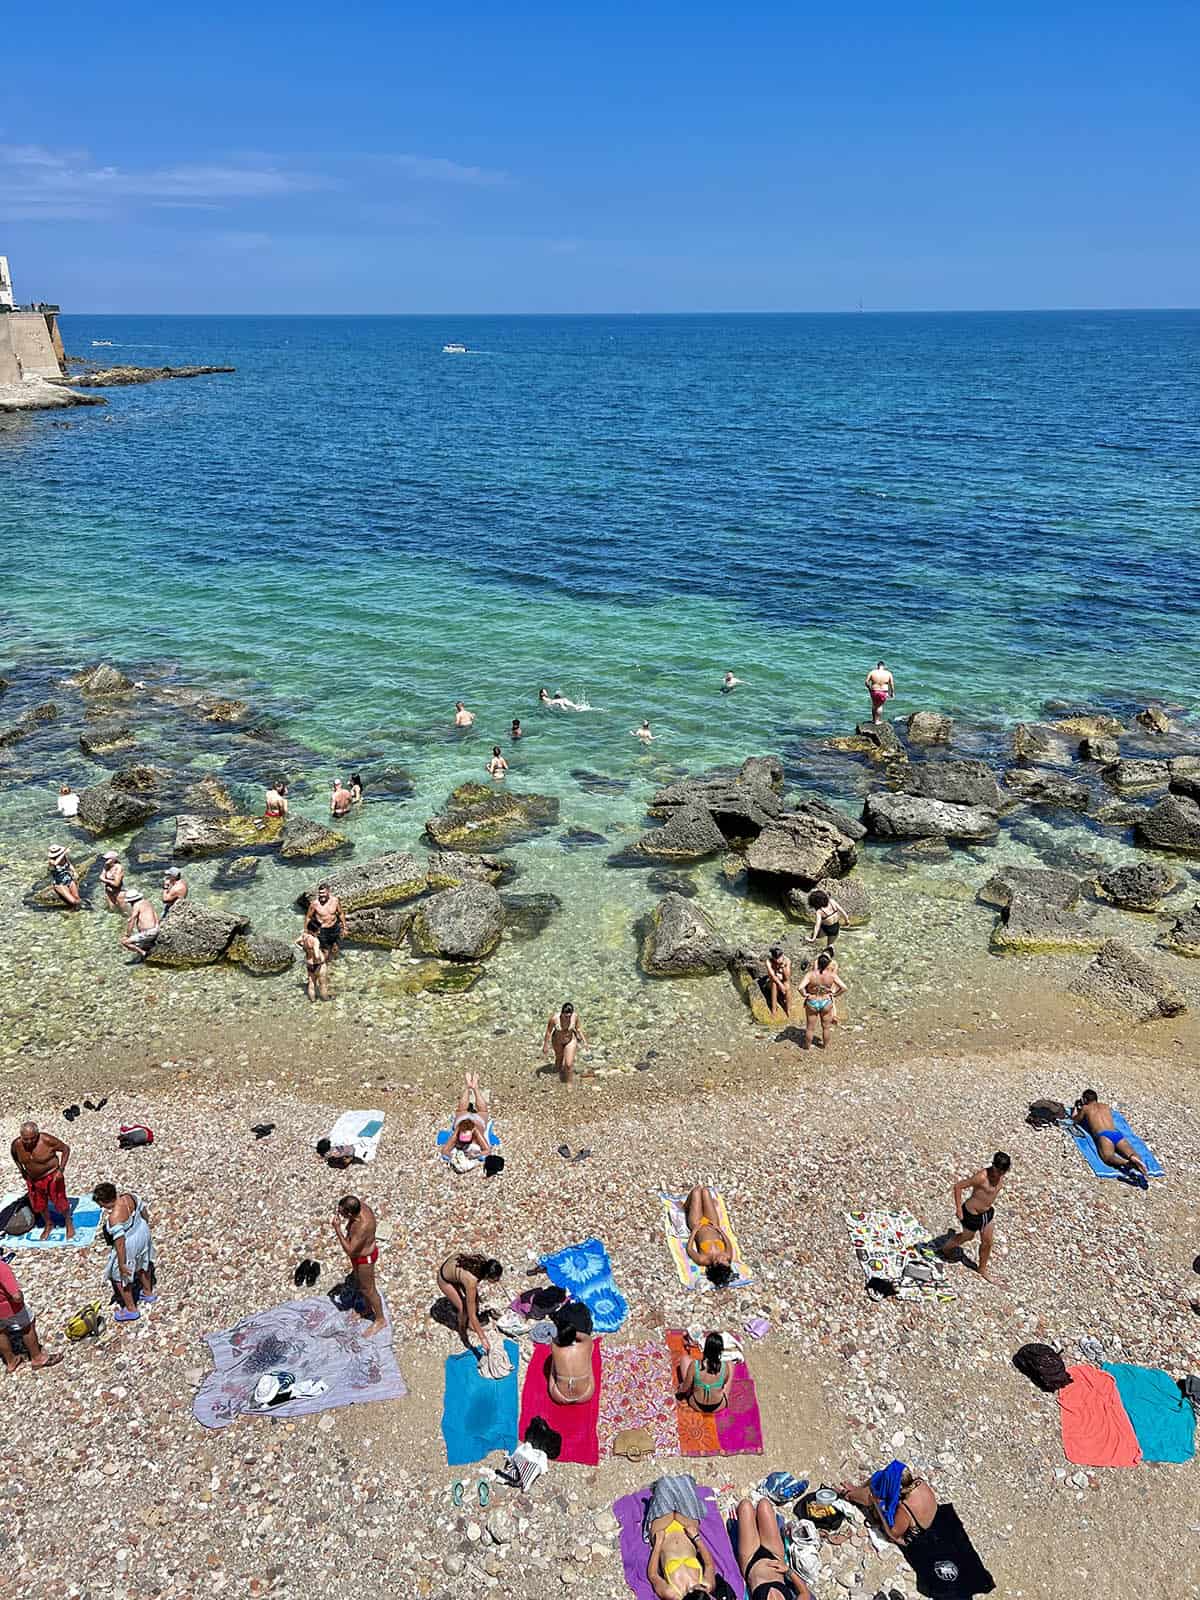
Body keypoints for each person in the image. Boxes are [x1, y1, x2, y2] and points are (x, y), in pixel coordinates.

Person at [937, 1151, 1011, 1283]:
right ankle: (946, 1248)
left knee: (988, 1242)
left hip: (987, 1214)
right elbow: (958, 1187)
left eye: (1002, 1172)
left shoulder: (1001, 1177)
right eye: (997, 1170)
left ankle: (982, 1269)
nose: (998, 1174)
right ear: (993, 1165)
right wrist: (959, 1209)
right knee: (968, 1237)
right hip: (971, 1214)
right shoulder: (981, 1177)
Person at [644, 1475, 720, 1598]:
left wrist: (658, 1544)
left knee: (664, 1484)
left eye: (698, 1588)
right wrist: (696, 1538)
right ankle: (670, 1494)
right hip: (687, 1528)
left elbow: (653, 1576)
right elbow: (710, 1565)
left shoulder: (672, 1594)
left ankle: (658, 1495)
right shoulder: (707, 1585)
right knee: (685, 1482)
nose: (701, 1586)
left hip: (663, 1531)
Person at [92, 1183, 156, 1323]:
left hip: (129, 1242)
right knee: (143, 1262)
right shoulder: (129, 1197)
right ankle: (148, 1292)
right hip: (142, 1231)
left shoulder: (114, 1218)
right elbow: (144, 1211)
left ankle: (131, 1309)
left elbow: (120, 1243)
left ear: (103, 1201)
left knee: (120, 1277)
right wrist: (145, 1227)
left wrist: (121, 1264)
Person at [839, 1464, 938, 1549]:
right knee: (879, 1477)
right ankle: (857, 1491)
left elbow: (893, 1534)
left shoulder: (905, 1507)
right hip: (927, 1516)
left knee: (872, 1496)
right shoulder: (918, 1482)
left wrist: (876, 1506)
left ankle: (849, 1495)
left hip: (909, 1536)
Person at [734, 1495, 814, 1600]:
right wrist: (788, 1571)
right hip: (774, 1556)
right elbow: (805, 1594)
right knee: (764, 1505)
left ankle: (750, 1522)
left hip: (751, 1562)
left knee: (745, 1506)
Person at [10, 1122, 75, 1241]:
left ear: (37, 1134)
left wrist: (61, 1170)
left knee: (59, 1200)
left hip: (52, 1175)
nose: (29, 1142)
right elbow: (14, 1156)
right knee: (38, 1204)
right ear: (20, 1136)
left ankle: (68, 1220)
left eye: (32, 1138)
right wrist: (21, 1170)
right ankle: (48, 1223)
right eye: (26, 1139)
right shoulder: (17, 1145)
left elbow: (66, 1149)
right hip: (33, 1178)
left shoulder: (47, 1140)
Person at [332, 1195, 386, 1337]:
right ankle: (368, 1308)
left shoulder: (363, 1226)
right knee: (361, 1284)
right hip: (358, 1257)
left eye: (342, 1212)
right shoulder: (358, 1206)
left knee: (369, 1290)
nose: (339, 1214)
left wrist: (338, 1229)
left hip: (365, 1259)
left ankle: (380, 1320)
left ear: (350, 1213)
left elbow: (350, 1249)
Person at [1072, 1090, 1150, 1186]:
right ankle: (1135, 1159)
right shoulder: (1106, 1106)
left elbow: (1075, 1120)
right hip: (1116, 1134)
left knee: (1108, 1157)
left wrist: (1076, 1107)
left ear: (1084, 1099)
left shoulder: (1086, 1108)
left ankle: (1127, 1163)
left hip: (1103, 1135)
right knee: (1131, 1153)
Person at [0, 1257, 64, 1372]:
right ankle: (37, 1358)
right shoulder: (2, 1268)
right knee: (27, 1326)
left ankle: (10, 1361)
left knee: (0, 1332)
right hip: (10, 1307)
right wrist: (20, 1296)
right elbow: (16, 1296)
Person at [435, 1251, 503, 1351]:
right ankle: (462, 1330)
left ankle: (472, 1325)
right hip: (444, 1279)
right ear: (488, 1276)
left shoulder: (482, 1262)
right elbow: (472, 1315)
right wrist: (483, 1338)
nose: (498, 1281)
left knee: (474, 1299)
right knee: (464, 1309)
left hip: (455, 1269)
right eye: (496, 1279)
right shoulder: (471, 1282)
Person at [684, 1185, 735, 1287]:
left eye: (723, 1261)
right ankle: (701, 1204)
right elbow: (728, 1243)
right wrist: (719, 1229)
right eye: (727, 1261)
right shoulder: (728, 1256)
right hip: (712, 1222)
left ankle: (686, 1206)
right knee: (706, 1191)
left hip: (696, 1223)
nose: (725, 1258)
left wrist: (694, 1231)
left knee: (696, 1191)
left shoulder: (703, 1259)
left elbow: (689, 1249)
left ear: (716, 1264)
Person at [546, 1304, 595, 1405]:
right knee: (588, 1359)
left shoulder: (555, 1347)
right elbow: (585, 1336)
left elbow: (556, 1339)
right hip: (585, 1395)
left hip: (559, 1396)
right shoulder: (587, 1343)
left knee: (553, 1365)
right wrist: (571, 1330)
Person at [798, 951, 846, 1050]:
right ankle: (825, 1046)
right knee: (826, 1027)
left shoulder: (810, 974)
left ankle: (807, 1047)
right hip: (826, 1002)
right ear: (828, 964)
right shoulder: (832, 975)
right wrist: (835, 994)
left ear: (817, 963)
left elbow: (800, 988)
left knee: (810, 1028)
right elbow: (844, 988)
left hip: (812, 1001)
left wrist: (805, 994)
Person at [676, 1331, 732, 1413]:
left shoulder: (695, 1365)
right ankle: (724, 1394)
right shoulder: (725, 1367)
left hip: (696, 1404)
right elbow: (725, 1382)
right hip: (718, 1405)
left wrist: (680, 1390)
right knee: (730, 1364)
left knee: (685, 1359)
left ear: (705, 1348)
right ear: (720, 1351)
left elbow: (685, 1387)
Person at [543, 1001, 587, 1084]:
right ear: (561, 1013)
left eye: (569, 1016)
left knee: (569, 1064)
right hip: (557, 1041)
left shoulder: (575, 1017)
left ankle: (569, 1082)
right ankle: (557, 1075)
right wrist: (545, 1045)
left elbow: (578, 1029)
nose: (568, 1018)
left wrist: (584, 1041)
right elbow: (548, 1031)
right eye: (565, 1016)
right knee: (558, 1061)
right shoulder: (554, 1019)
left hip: (570, 1040)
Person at [449, 1072, 491, 1158]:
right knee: (482, 1112)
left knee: (462, 1110)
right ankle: (474, 1088)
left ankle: (468, 1087)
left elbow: (445, 1150)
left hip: (465, 1119)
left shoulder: (458, 1131)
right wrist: (476, 1155)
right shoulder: (476, 1132)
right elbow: (487, 1150)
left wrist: (454, 1156)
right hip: (471, 1119)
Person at [306, 882, 347, 960]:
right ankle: (326, 965)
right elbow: (308, 917)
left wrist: (344, 927)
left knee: (335, 947)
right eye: (320, 893)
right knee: (325, 951)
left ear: (328, 892)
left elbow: (341, 913)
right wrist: (306, 931)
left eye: (323, 893)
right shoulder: (315, 904)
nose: (321, 895)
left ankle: (335, 961)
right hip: (322, 930)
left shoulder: (335, 900)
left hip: (335, 927)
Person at [120, 889, 159, 961]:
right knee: (143, 944)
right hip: (155, 929)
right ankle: (147, 951)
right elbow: (155, 914)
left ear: (131, 901)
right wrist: (157, 926)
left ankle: (144, 953)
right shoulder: (147, 902)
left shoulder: (136, 905)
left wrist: (127, 935)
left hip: (148, 933)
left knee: (125, 942)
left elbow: (132, 920)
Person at [295, 928, 330, 1001]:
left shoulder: (304, 936)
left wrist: (303, 949)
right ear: (313, 930)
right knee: (322, 984)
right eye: (317, 930)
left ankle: (313, 1000)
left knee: (311, 983)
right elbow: (317, 955)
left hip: (309, 963)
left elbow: (296, 942)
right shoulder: (315, 940)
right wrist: (321, 960)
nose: (319, 931)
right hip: (318, 964)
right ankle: (326, 1000)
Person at [47, 844, 82, 909]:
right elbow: (55, 863)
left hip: (69, 879)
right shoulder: (51, 862)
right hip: (60, 884)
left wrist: (74, 872)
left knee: (77, 898)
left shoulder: (64, 857)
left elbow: (69, 865)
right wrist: (64, 853)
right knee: (73, 901)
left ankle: (77, 913)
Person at [765, 945, 792, 1018]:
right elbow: (772, 976)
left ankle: (788, 1009)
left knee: (787, 985)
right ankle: (774, 1010)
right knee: (774, 984)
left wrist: (783, 966)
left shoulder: (787, 961)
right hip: (771, 983)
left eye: (779, 958)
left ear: (782, 955)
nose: (777, 960)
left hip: (784, 982)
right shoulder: (768, 962)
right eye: (775, 958)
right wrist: (780, 985)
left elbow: (787, 978)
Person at [865, 661, 895, 725]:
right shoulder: (888, 673)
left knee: (874, 705)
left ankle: (874, 720)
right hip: (883, 692)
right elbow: (891, 684)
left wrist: (869, 688)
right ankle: (877, 721)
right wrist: (892, 693)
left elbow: (866, 682)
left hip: (874, 691)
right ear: (884, 666)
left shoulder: (872, 672)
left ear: (877, 666)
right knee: (880, 706)